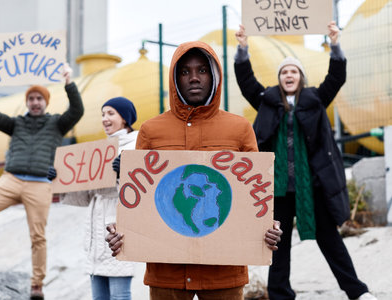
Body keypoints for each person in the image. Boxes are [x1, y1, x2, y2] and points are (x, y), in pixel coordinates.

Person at [105, 41, 283, 300]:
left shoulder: (240, 128)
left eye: (202, 70)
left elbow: (255, 195)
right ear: (175, 78)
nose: (194, 78)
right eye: (185, 72)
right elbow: (138, 200)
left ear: (214, 76)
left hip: (224, 271)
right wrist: (124, 231)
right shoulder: (151, 130)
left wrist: (267, 225)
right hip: (166, 272)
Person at [234, 21, 376, 300]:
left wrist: (335, 43)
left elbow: (336, 77)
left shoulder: (316, 99)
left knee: (331, 241)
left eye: (294, 71)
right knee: (278, 243)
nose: (289, 75)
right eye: (284, 71)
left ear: (301, 77)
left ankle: (357, 291)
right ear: (279, 78)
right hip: (278, 189)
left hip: (313, 187)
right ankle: (279, 294)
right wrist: (242, 48)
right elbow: (246, 81)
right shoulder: (267, 100)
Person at [0, 64, 84, 300]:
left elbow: (76, 111)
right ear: (27, 102)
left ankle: (37, 284)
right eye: (31, 98)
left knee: (37, 235)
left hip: (40, 183)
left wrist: (68, 82)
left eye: (39, 98)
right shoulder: (16, 124)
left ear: (45, 102)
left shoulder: (57, 124)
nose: (34, 102)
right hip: (10, 179)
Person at [60, 97, 139, 300]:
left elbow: (141, 194)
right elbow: (85, 197)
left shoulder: (136, 147)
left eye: (111, 113)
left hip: (117, 231)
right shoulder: (100, 150)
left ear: (125, 119)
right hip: (95, 234)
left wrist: (124, 173)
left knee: (119, 295)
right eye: (103, 114)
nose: (105, 119)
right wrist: (61, 181)